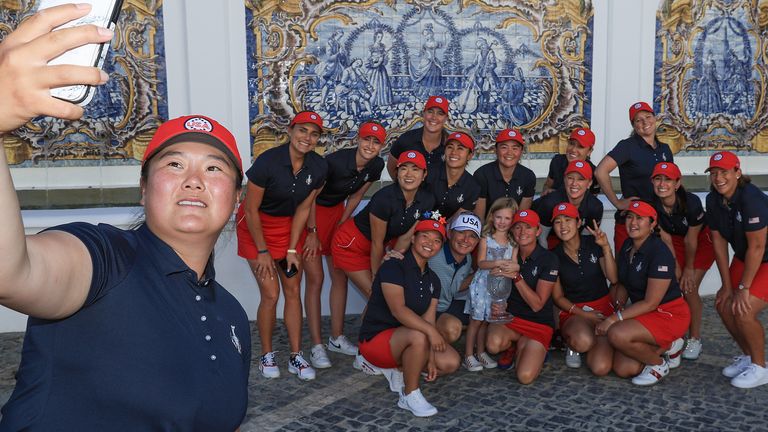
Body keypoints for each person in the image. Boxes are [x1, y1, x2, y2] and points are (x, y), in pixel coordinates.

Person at [0, 6, 250, 428]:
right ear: (144, 186)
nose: (193, 180)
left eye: (214, 169)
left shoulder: (233, 317)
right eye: (173, 165)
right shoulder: (104, 258)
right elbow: (11, 273)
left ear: (237, 199)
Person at [236, 110, 328, 381]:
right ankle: (266, 355)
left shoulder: (319, 167)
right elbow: (251, 211)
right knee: (270, 294)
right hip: (256, 229)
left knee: (292, 289)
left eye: (314, 134)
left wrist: (291, 249)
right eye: (302, 130)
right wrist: (263, 252)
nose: (307, 138)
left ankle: (296, 356)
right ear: (290, 131)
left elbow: (303, 209)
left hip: (288, 229)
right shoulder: (268, 162)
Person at [331, 150, 436, 368]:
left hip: (379, 247)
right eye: (404, 168)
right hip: (350, 244)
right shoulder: (384, 198)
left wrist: (394, 262)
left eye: (415, 169)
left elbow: (408, 235)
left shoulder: (426, 199)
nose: (409, 174)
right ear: (396, 172)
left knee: (385, 295)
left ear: (424, 175)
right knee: (378, 294)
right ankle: (364, 354)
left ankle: (373, 344)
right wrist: (381, 276)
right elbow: (377, 243)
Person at [302, 122, 386, 368]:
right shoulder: (335, 162)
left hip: (337, 214)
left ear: (381, 146)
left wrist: (342, 221)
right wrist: (312, 231)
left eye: (376, 142)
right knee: (316, 279)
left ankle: (336, 337)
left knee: (340, 276)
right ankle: (317, 346)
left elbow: (357, 195)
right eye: (366, 140)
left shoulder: (377, 165)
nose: (370, 146)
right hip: (312, 214)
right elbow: (310, 197)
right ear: (358, 140)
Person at [358, 218, 460, 417]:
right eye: (425, 236)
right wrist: (431, 332)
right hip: (376, 340)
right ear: (413, 238)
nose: (430, 243)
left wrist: (430, 358)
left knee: (451, 362)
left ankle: (400, 368)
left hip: (405, 337)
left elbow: (429, 319)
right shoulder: (393, 266)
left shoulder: (434, 280)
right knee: (419, 335)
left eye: (437, 240)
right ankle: (409, 393)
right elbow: (398, 310)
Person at [596, 201, 690, 386]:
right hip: (646, 313)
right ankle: (671, 346)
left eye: (640, 218)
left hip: (669, 314)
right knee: (625, 369)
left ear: (652, 223)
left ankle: (659, 364)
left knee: (617, 334)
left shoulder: (659, 252)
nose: (633, 223)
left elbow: (651, 303)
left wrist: (613, 318)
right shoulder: (628, 245)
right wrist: (606, 247)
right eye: (630, 217)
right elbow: (617, 280)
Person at [705, 151, 768, 388]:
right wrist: (726, 285)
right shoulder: (713, 200)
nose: (719, 178)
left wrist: (743, 288)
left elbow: (758, 246)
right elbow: (719, 243)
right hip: (746, 257)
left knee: (743, 309)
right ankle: (749, 356)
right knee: (723, 303)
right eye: (714, 173)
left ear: (737, 173)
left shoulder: (750, 198)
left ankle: (761, 367)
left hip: (763, 257)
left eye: (724, 172)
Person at [485, 210, 559, 384]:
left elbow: (537, 305)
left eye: (528, 227)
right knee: (493, 345)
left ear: (538, 231)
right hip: (513, 319)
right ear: (512, 231)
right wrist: (498, 304)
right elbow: (496, 286)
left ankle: (529, 349)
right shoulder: (507, 254)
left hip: (538, 323)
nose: (522, 232)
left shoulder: (548, 258)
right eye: (517, 227)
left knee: (524, 377)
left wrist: (517, 277)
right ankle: (515, 345)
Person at [650, 162, 714, 360]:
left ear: (677, 183)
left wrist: (687, 269)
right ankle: (676, 335)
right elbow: (666, 238)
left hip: (701, 242)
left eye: (667, 180)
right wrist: (676, 266)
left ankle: (694, 338)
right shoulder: (652, 202)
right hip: (675, 241)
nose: (662, 184)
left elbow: (691, 239)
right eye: (658, 179)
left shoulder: (691, 202)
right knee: (674, 283)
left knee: (689, 287)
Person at [594, 102, 674, 251]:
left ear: (655, 118)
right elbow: (600, 171)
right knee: (626, 270)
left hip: (658, 221)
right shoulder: (627, 146)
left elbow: (672, 182)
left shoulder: (665, 149)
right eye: (638, 120)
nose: (645, 122)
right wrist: (617, 202)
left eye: (648, 117)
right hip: (632, 220)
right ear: (634, 125)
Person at [550, 203, 618, 374]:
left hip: (602, 308)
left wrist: (605, 247)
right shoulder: (553, 256)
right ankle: (572, 343)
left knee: (600, 368)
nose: (563, 226)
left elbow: (613, 278)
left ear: (578, 223)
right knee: (583, 341)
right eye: (558, 222)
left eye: (568, 220)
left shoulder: (594, 244)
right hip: (574, 311)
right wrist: (585, 315)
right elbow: (558, 298)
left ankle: (600, 340)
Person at [464, 198, 519, 371]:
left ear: (513, 220)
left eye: (507, 218)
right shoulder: (486, 238)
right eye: (498, 217)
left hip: (500, 287)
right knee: (476, 320)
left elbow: (515, 264)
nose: (502, 222)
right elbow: (480, 263)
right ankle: (468, 355)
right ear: (492, 217)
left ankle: (481, 353)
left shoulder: (513, 242)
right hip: (482, 285)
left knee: (487, 320)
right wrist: (499, 263)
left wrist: (509, 268)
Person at [430, 212, 482, 345]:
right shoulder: (432, 254)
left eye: (472, 236)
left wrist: (481, 272)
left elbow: (453, 288)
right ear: (449, 233)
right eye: (461, 232)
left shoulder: (467, 258)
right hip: (425, 312)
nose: (466, 240)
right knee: (453, 329)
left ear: (477, 241)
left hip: (445, 305)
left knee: (483, 313)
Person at [533, 159, 603, 249]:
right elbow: (541, 239)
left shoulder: (595, 207)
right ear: (564, 179)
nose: (574, 183)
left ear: (589, 183)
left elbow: (585, 241)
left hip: (569, 239)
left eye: (580, 179)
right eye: (570, 178)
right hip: (548, 237)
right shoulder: (550, 202)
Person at [386, 95, 449, 187]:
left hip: (438, 199)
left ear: (446, 118)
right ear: (423, 114)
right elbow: (391, 167)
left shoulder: (450, 145)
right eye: (430, 111)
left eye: (440, 113)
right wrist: (404, 189)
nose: (434, 117)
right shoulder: (406, 140)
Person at [473, 128, 536, 218]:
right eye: (504, 147)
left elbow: (521, 217)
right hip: (488, 227)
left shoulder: (528, 176)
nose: (509, 153)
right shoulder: (482, 174)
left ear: (521, 152)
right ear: (495, 150)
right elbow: (479, 218)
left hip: (515, 228)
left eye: (515, 148)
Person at [426, 131, 481, 219]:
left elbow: (456, 219)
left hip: (448, 229)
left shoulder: (472, 187)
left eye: (460, 148)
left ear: (470, 155)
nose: (454, 152)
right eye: (450, 147)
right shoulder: (428, 173)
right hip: (420, 227)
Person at [541, 127, 599, 196]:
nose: (573, 150)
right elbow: (547, 185)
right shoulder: (557, 161)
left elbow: (592, 201)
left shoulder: (594, 172)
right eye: (571, 143)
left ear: (589, 151)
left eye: (580, 147)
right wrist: (547, 192)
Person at [366, 29, 393, 107]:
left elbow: (384, 54)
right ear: (375, 37)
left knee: (383, 83)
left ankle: (382, 100)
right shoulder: (371, 47)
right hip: (373, 68)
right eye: (378, 37)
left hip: (381, 69)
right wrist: (374, 61)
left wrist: (383, 57)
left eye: (381, 37)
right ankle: (372, 101)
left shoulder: (382, 46)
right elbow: (368, 58)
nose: (380, 38)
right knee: (373, 84)